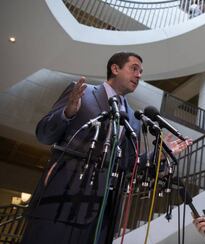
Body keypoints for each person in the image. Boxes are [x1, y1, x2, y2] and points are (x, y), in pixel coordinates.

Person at [21, 52, 191, 244]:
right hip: (59, 205)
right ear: (115, 68)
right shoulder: (82, 94)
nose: (139, 75)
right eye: (134, 69)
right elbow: (44, 135)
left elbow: (127, 164)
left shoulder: (133, 119)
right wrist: (68, 113)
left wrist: (156, 155)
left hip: (102, 216)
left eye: (141, 72)